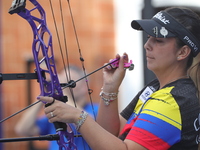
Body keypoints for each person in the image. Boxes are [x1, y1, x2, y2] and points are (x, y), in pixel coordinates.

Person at [38, 7, 200, 150]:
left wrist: (78, 116)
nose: (147, 45)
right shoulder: (155, 88)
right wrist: (110, 87)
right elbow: (110, 134)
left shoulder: (172, 100)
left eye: (158, 40)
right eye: (149, 37)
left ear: (183, 52)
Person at [15, 65, 98, 150]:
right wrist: (44, 94)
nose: (64, 86)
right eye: (62, 82)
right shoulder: (57, 115)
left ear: (84, 86)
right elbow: (23, 129)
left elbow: (88, 123)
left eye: (68, 83)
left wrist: (62, 92)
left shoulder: (96, 109)